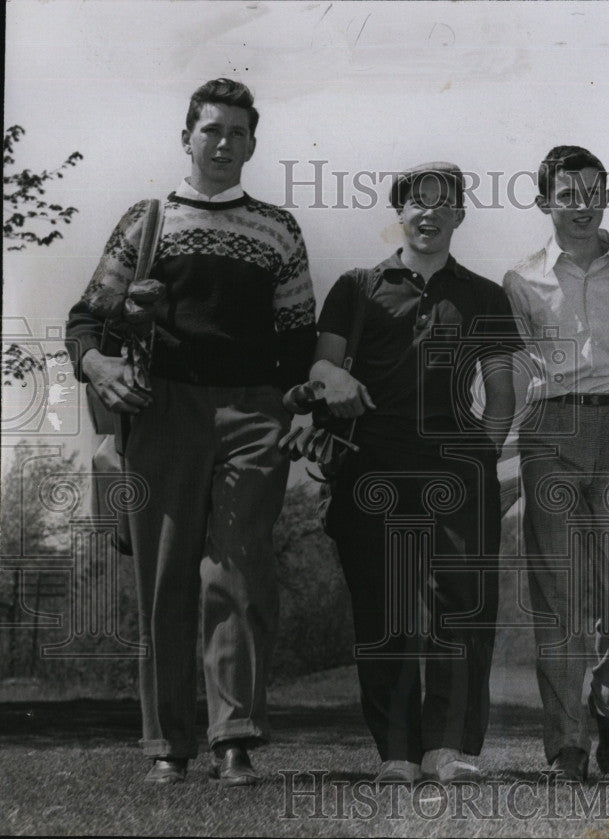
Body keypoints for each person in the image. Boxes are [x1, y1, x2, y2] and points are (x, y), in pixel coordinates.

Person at [66, 79, 316, 785]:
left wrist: (292, 410)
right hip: (163, 407)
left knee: (238, 573)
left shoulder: (278, 229)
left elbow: (298, 341)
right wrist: (98, 364)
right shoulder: (148, 222)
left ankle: (233, 736)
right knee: (165, 579)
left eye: (238, 132)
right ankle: (169, 745)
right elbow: (87, 317)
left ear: (253, 145)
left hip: (252, 413)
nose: (224, 142)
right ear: (186, 137)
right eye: (211, 129)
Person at [310, 163, 520, 784]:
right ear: (399, 213)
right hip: (370, 467)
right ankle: (397, 754)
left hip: (458, 471)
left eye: (443, 204)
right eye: (417, 203)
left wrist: (481, 460)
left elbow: (502, 393)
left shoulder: (483, 294)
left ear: (459, 214)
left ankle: (447, 749)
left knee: (462, 610)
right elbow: (323, 368)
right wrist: (334, 380)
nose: (429, 214)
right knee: (384, 608)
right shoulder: (356, 286)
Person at [503, 146, 609, 781]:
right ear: (544, 201)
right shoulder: (520, 280)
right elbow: (514, 374)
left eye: (591, 192)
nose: (579, 205)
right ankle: (567, 744)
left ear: (606, 197)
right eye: (565, 194)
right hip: (552, 431)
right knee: (561, 598)